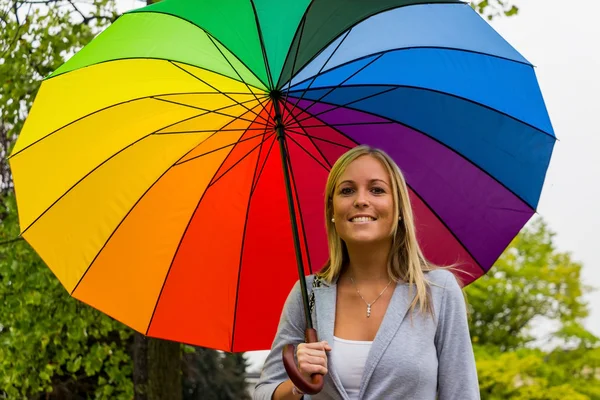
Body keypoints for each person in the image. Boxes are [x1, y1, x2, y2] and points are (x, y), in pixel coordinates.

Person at [253, 145, 479, 399]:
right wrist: (298, 383)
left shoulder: (437, 291)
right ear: (332, 211)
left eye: (377, 189)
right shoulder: (308, 295)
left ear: (399, 209)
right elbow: (263, 392)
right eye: (347, 190)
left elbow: (462, 393)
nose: (361, 200)